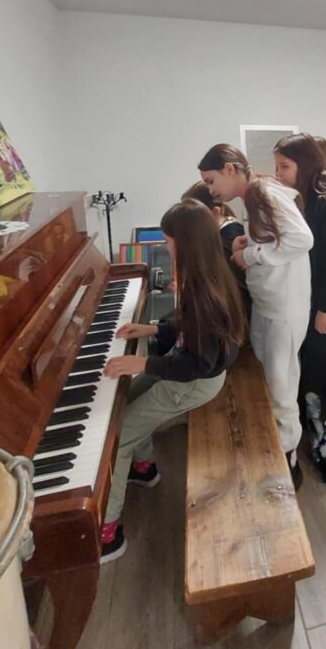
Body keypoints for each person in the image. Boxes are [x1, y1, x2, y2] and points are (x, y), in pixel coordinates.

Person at [99, 199, 245, 562]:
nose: (165, 247)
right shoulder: (208, 273)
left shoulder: (203, 293)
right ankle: (143, 468)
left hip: (192, 382)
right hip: (186, 372)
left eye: (167, 241)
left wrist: (143, 363)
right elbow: (186, 328)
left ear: (185, 243)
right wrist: (151, 329)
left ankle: (108, 533)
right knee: (127, 400)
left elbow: (195, 364)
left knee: (118, 436)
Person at [198, 143, 313, 486]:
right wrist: (245, 244)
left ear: (230, 169)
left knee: (281, 387)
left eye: (211, 180)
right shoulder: (252, 196)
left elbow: (301, 238)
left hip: (283, 307)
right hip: (269, 303)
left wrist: (251, 256)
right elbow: (273, 238)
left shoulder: (263, 192)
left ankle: (289, 458)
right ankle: (276, 445)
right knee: (271, 379)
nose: (210, 189)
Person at [274, 133, 326, 483]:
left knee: (324, 376)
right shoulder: (301, 197)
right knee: (306, 371)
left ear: (304, 164)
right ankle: (313, 432)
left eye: (284, 167)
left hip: (319, 306)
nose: (279, 174)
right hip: (300, 301)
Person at [181, 181, 251, 320]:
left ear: (215, 213)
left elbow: (230, 292)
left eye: (192, 221)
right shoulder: (222, 233)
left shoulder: (228, 240)